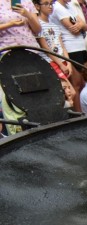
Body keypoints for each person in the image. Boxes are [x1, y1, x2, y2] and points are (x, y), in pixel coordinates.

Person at [0, 0, 42, 135]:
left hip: (30, 51)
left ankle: (41, 127)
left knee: (36, 92)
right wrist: (10, 24)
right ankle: (18, 133)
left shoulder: (26, 1)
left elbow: (38, 29)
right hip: (6, 52)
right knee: (13, 95)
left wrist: (27, 14)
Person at [49, 0, 87, 68]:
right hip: (71, 48)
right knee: (79, 76)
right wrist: (81, 25)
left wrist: (81, 25)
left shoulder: (69, 6)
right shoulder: (57, 7)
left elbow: (86, 26)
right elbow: (75, 31)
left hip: (81, 46)